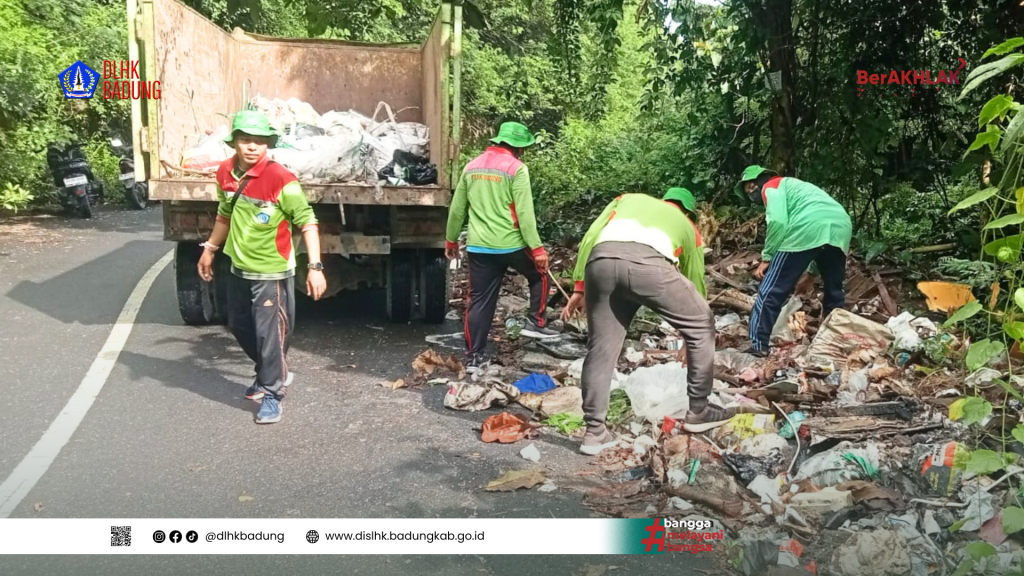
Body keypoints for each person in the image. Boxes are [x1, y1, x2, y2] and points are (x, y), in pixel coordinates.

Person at [561, 188, 732, 455]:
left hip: (601, 262)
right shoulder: (688, 227)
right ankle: (699, 410)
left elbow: (591, 237)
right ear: (688, 211)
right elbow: (695, 281)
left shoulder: (626, 199)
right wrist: (693, 335)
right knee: (701, 322)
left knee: (602, 348)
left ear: (664, 201)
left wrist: (579, 287)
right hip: (648, 266)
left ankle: (594, 432)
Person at [197, 110, 326, 424]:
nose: (252, 147)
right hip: (238, 267)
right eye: (245, 140)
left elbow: (307, 222)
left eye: (259, 142)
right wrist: (210, 249)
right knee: (238, 325)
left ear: (268, 144)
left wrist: (315, 266)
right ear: (235, 143)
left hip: (272, 272)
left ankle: (272, 393)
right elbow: (224, 215)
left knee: (271, 335)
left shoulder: (282, 179)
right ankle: (273, 369)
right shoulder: (226, 172)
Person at [445, 122, 558, 371]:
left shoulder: (471, 167)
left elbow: (457, 210)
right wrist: (538, 249)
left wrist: (451, 240)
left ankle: (474, 357)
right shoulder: (517, 169)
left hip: (479, 247)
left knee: (479, 301)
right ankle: (535, 323)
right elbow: (525, 213)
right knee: (540, 273)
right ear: (518, 147)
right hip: (511, 243)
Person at [738, 165, 852, 358]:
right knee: (834, 292)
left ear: (755, 183)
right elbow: (822, 240)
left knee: (771, 290)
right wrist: (811, 274)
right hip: (841, 227)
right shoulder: (798, 187)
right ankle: (833, 347)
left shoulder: (772, 186)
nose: (750, 193)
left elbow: (778, 222)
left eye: (749, 188)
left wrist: (767, 257)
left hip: (805, 227)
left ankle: (758, 344)